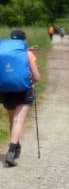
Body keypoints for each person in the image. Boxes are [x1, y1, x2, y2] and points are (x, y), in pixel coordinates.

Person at [0, 30, 40, 167]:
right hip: (24, 90)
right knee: (18, 120)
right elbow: (37, 77)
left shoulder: (3, 52)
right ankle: (11, 152)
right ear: (24, 40)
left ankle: (16, 146)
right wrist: (34, 81)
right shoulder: (27, 54)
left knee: (12, 119)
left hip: (5, 90)